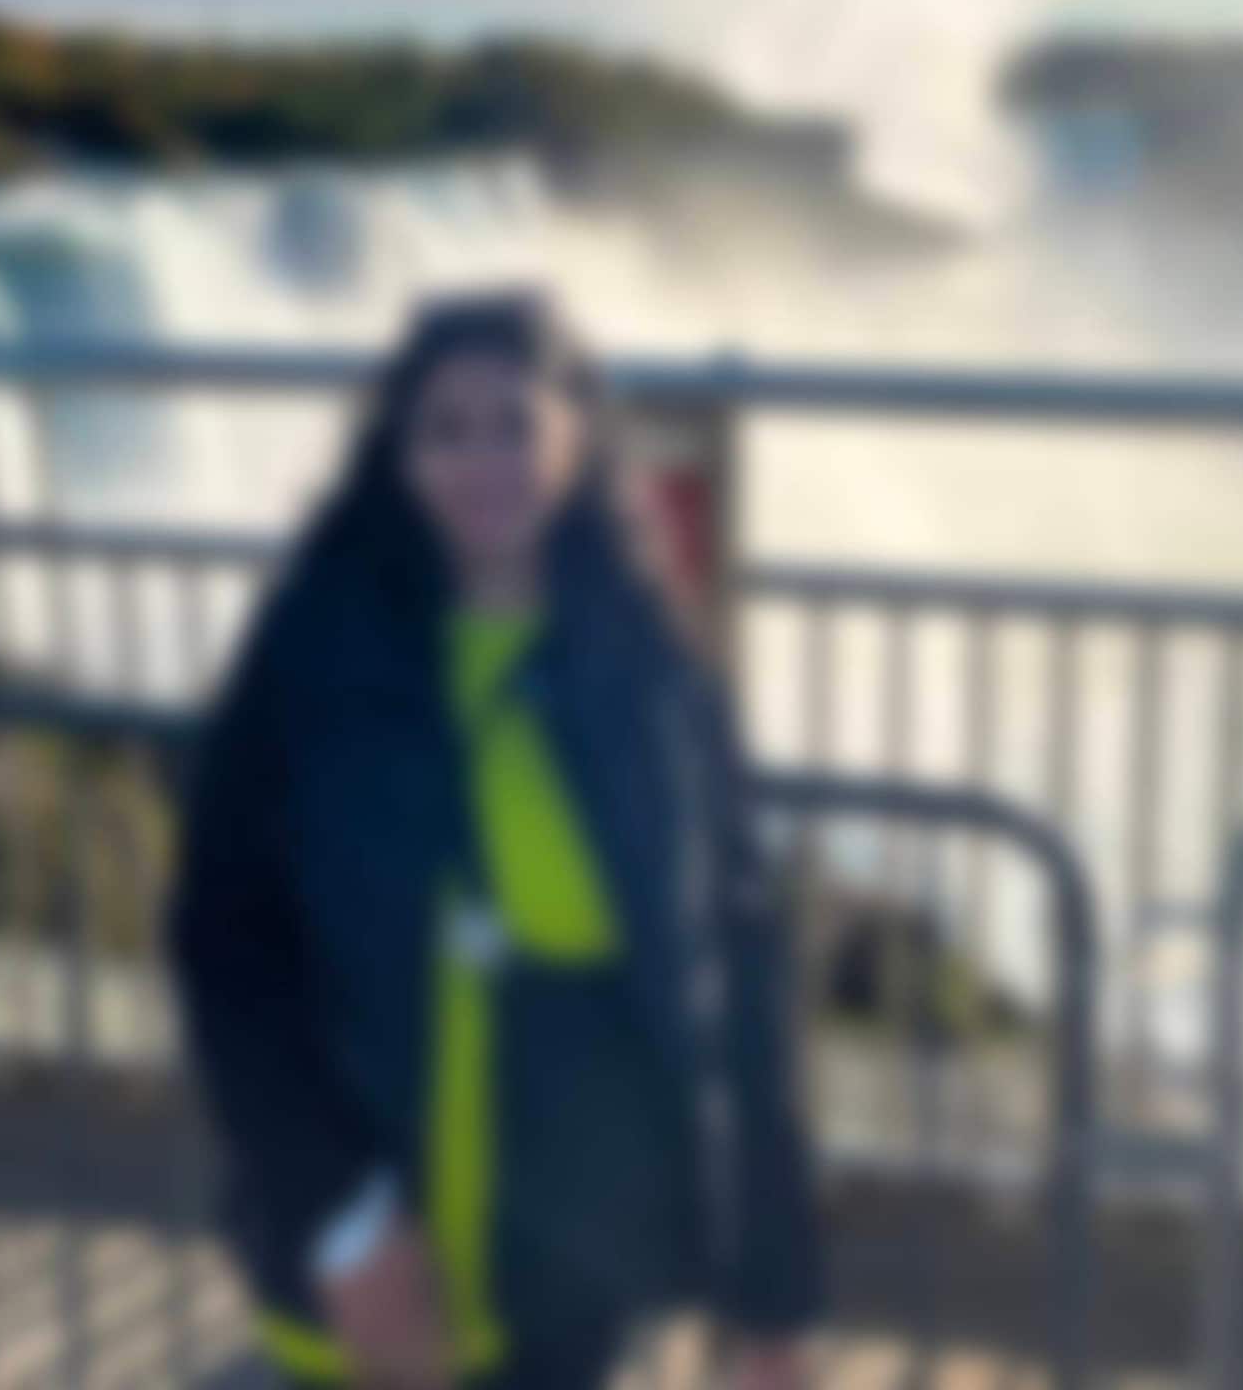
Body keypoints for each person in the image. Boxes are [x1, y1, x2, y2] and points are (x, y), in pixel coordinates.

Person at [169, 293, 825, 1389]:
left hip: (578, 1275)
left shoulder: (653, 667)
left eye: (514, 424)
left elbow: (734, 979)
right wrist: (343, 1216)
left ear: (576, 438)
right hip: (373, 1271)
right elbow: (224, 943)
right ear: (399, 453)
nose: (483, 461)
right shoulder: (318, 645)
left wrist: (774, 1298)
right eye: (447, 429)